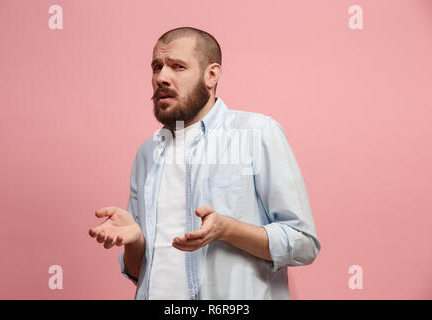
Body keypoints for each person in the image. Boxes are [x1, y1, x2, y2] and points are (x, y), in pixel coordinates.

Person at [88, 26, 321, 300]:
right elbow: (140, 272)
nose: (162, 77)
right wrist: (135, 241)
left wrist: (228, 230)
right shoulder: (147, 152)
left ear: (211, 75)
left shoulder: (257, 134)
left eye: (177, 67)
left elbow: (303, 244)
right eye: (156, 67)